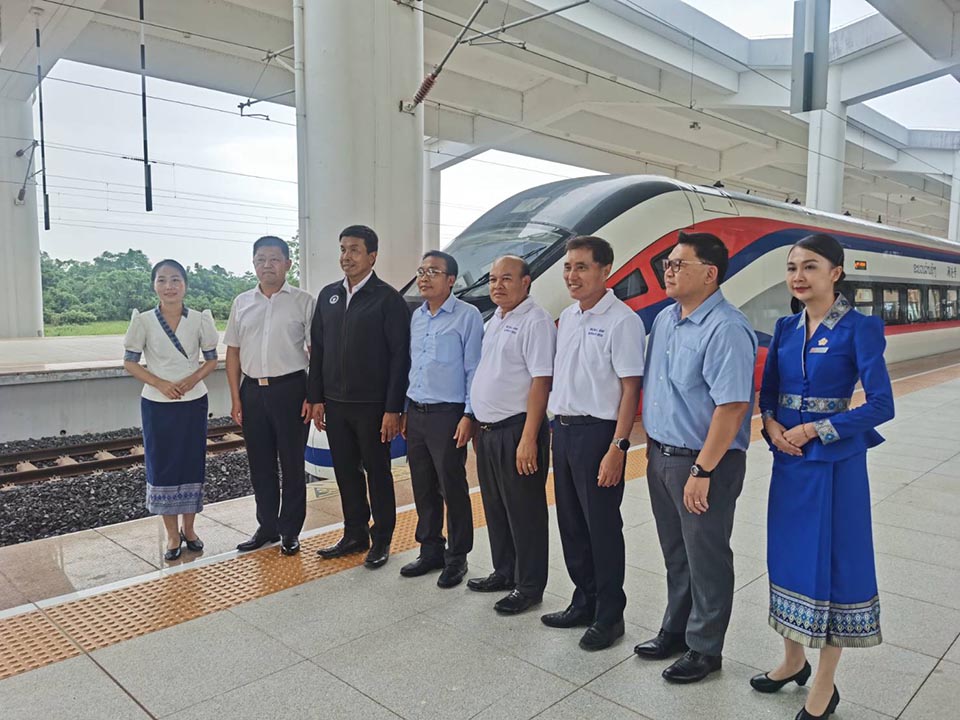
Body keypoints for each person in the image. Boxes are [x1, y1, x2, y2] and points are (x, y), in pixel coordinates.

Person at [751, 234, 894, 720]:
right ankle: (793, 660)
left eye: (810, 266)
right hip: (789, 462)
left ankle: (825, 684)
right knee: (789, 557)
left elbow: (881, 405)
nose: (798, 276)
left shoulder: (860, 328)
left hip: (837, 467)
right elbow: (768, 394)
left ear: (835, 273)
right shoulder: (786, 327)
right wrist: (772, 427)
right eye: (792, 267)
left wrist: (816, 429)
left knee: (835, 567)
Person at [636, 231, 757, 683]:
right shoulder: (665, 320)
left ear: (709, 274)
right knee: (676, 553)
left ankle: (706, 648)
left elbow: (733, 407)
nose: (667, 271)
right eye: (666, 264)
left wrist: (703, 469)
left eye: (677, 264)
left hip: (705, 463)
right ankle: (676, 629)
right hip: (661, 456)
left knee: (706, 556)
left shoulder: (727, 328)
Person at [543, 236, 645, 651]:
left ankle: (610, 614)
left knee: (601, 526)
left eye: (582, 267)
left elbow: (630, 388)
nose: (572, 275)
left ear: (606, 271)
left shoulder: (622, 321)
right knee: (571, 522)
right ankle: (583, 599)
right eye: (568, 267)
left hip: (598, 434)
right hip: (565, 431)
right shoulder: (568, 317)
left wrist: (618, 447)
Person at [309, 225, 411, 570]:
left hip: (373, 407)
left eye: (354, 249)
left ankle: (382, 538)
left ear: (372, 256)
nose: (346, 256)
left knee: (378, 473)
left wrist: (393, 408)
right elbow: (318, 350)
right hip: (336, 404)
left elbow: (400, 357)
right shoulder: (329, 296)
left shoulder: (388, 299)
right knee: (346, 472)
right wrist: (317, 397)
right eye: (343, 249)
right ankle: (354, 533)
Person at [468, 255, 555, 614]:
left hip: (518, 430)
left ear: (526, 282)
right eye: (492, 279)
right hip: (490, 432)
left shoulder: (536, 321)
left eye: (506, 278)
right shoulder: (496, 320)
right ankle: (504, 571)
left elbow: (541, 381)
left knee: (525, 511)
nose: (497, 286)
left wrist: (529, 438)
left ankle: (529, 586)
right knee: (496, 506)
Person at [224, 236, 316, 556]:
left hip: (292, 389)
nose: (267, 265)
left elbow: (316, 352)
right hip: (252, 391)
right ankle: (267, 527)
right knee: (260, 465)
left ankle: (290, 530)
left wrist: (313, 395)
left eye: (274, 259)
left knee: (291, 464)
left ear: (288, 264)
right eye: (261, 259)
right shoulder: (241, 303)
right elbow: (233, 353)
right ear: (253, 264)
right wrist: (236, 398)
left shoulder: (303, 301)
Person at [123, 259, 219, 561]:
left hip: (194, 401)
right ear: (154, 285)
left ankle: (190, 529)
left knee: (191, 462)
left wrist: (192, 379)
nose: (169, 286)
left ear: (185, 285)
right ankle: (172, 535)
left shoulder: (200, 319)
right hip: (157, 403)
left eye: (175, 279)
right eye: (162, 280)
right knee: (162, 465)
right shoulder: (143, 321)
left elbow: (212, 360)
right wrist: (160, 383)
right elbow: (130, 362)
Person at [400, 251, 483, 588]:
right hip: (417, 412)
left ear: (451, 280)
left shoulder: (467, 316)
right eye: (421, 271)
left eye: (433, 271)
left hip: (448, 414)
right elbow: (412, 366)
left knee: (452, 486)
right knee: (422, 484)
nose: (424, 277)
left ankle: (457, 556)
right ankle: (430, 549)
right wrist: (405, 410)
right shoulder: (417, 317)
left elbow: (473, 369)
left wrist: (469, 415)